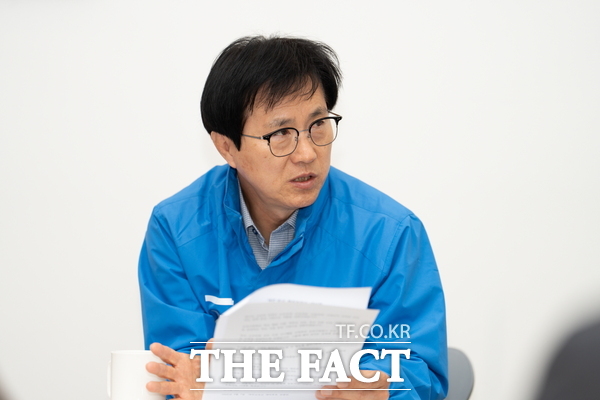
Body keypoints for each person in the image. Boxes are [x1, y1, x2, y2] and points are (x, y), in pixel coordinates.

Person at [138, 35, 448, 399]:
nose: (307, 153)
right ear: (226, 147)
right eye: (281, 134)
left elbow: (418, 369)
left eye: (318, 125)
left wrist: (387, 391)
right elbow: (177, 371)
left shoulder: (388, 234)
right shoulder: (176, 231)